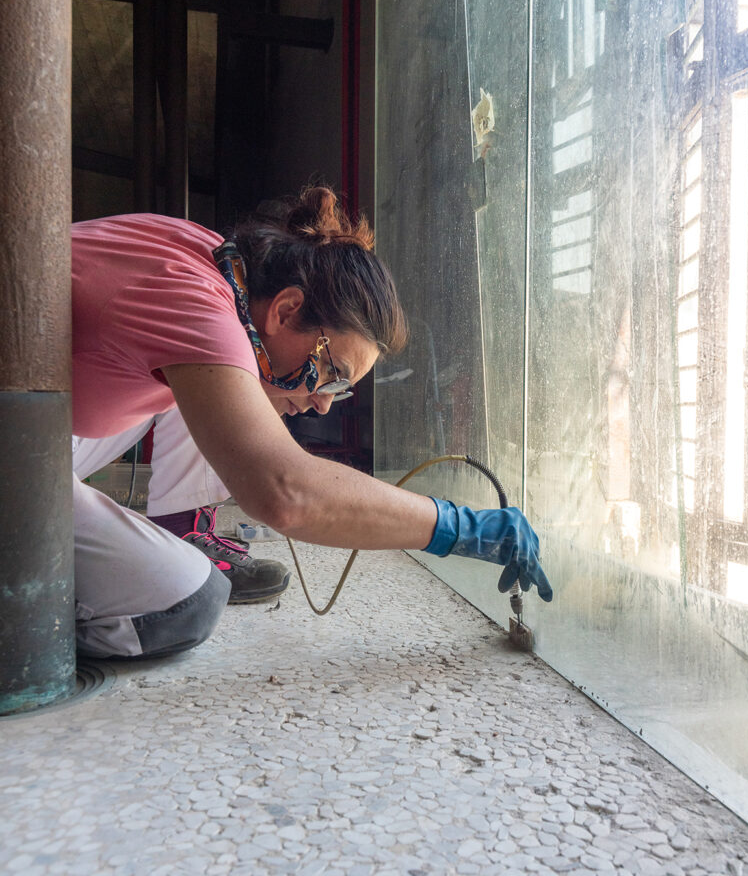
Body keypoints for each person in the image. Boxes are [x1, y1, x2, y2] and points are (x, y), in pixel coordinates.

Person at [71, 186, 552, 660]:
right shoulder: (195, 304)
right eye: (330, 373)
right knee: (185, 603)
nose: (324, 404)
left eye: (338, 389)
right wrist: (458, 527)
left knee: (220, 378)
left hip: (40, 419)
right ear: (286, 310)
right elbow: (284, 492)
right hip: (18, 450)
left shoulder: (210, 260)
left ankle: (180, 527)